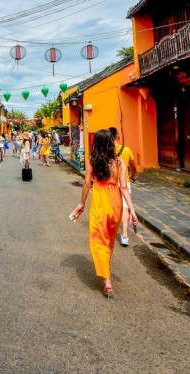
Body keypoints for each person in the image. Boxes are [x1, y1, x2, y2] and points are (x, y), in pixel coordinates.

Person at [76, 129, 138, 299]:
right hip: (116, 204)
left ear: (96, 143)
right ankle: (106, 270)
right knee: (109, 239)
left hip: (99, 202)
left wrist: (82, 203)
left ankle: (107, 281)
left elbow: (87, 184)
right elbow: (124, 188)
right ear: (111, 143)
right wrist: (132, 210)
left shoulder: (92, 161)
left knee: (98, 239)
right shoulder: (119, 163)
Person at [109, 127, 138, 247]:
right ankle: (125, 235)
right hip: (124, 182)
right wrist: (132, 175)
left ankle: (109, 232)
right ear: (118, 137)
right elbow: (133, 165)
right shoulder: (126, 150)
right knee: (125, 208)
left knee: (112, 207)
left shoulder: (106, 151)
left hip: (111, 184)